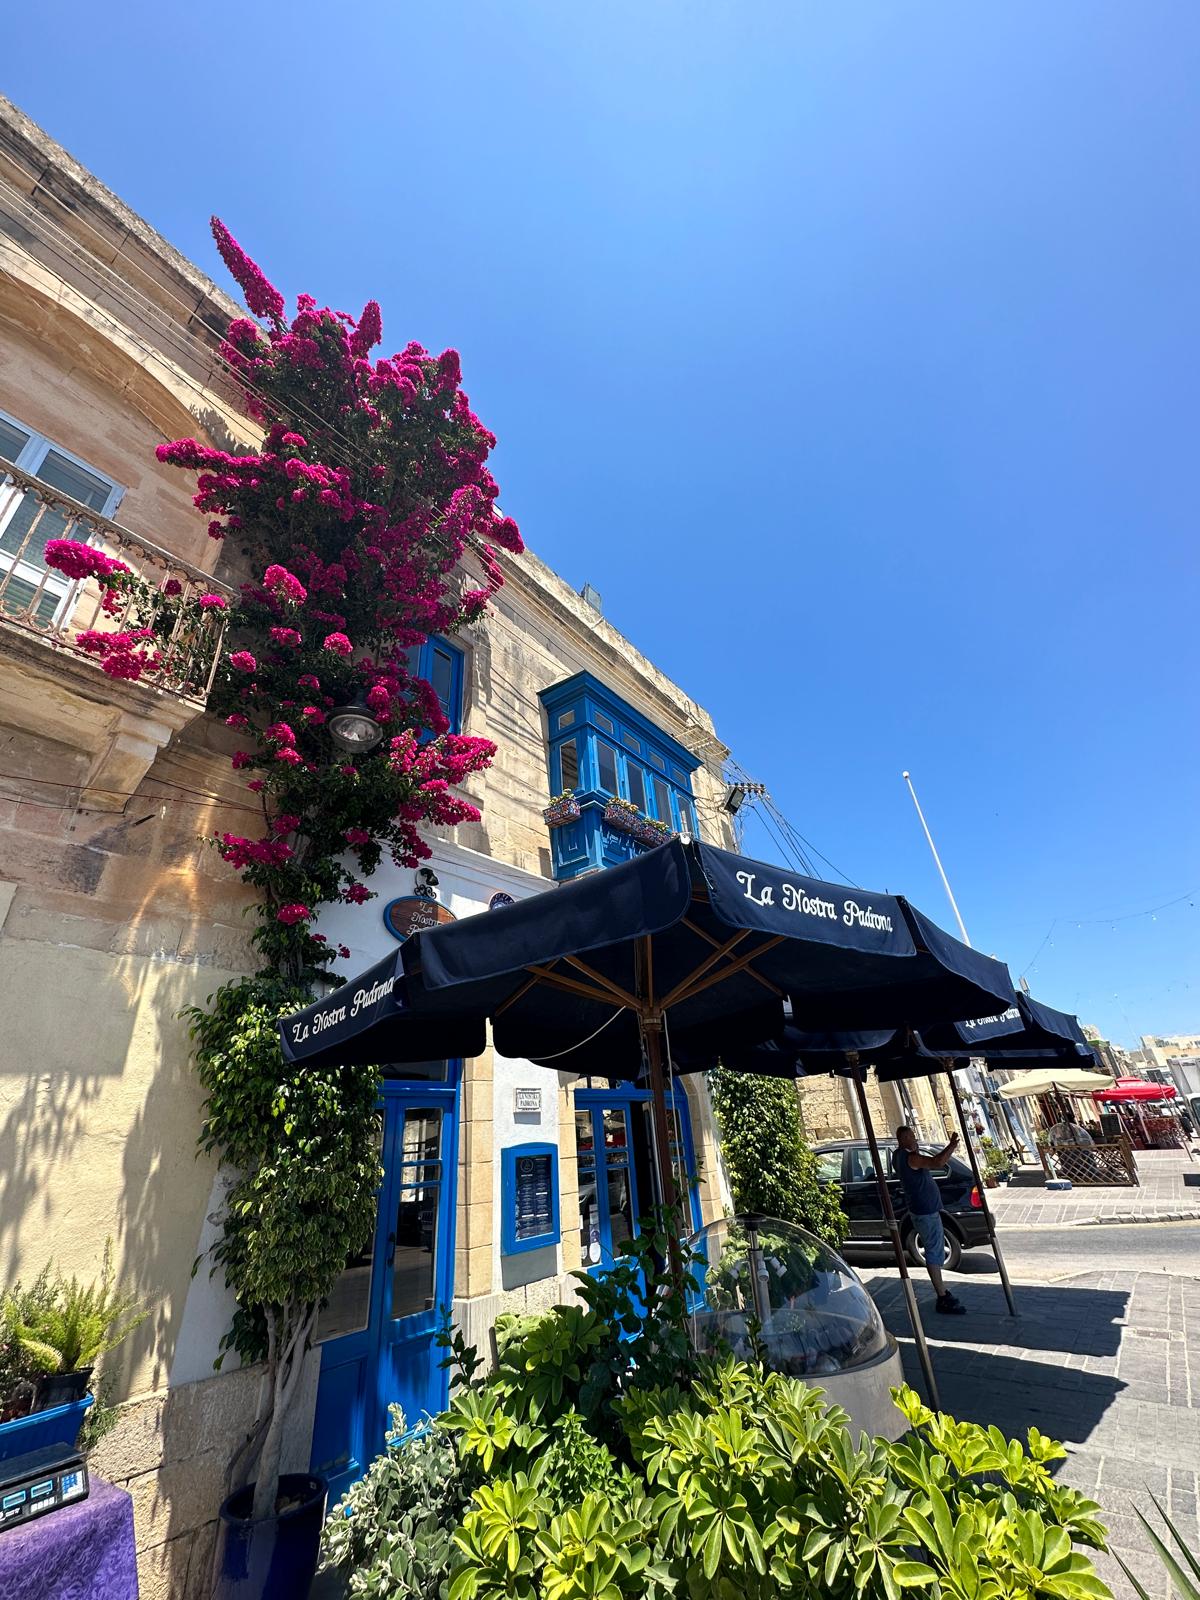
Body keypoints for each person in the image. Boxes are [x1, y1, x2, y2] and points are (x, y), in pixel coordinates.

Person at [892, 1126, 965, 1315]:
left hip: (920, 1210)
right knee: (933, 1252)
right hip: (925, 1212)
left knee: (934, 1249)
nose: (915, 1139)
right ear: (905, 1138)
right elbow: (938, 1161)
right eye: (912, 1137)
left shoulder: (898, 1156)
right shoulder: (910, 1159)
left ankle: (942, 1292)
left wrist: (914, 1148)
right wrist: (952, 1145)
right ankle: (942, 1296)